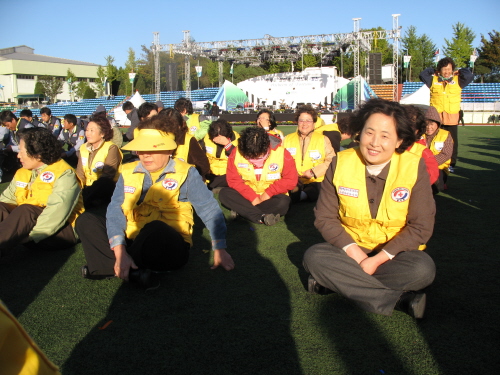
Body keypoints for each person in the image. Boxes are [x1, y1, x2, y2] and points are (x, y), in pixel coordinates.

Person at [303, 99, 436, 319]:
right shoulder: (340, 162)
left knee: (422, 269)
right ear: (359, 133)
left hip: (395, 254)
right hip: (351, 250)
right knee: (314, 257)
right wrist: (358, 256)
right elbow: (325, 218)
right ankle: (400, 301)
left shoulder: (414, 166)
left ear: (399, 140)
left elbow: (421, 226)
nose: (374, 143)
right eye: (369, 133)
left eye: (385, 136)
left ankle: (336, 283)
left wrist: (376, 260)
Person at [75, 128, 234, 287]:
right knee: (86, 220)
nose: (145, 155)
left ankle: (107, 266)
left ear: (169, 150)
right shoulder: (128, 171)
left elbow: (209, 209)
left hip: (167, 242)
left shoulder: (186, 172)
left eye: (152, 150)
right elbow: (116, 209)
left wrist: (220, 248)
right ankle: (131, 270)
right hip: (133, 238)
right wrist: (120, 250)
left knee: (156, 229)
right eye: (141, 150)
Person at [0, 127, 84, 257]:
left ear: (38, 154)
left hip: (60, 230)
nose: (18, 155)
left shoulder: (64, 173)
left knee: (25, 210)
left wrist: (30, 236)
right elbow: (6, 200)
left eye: (22, 151)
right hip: (29, 222)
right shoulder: (23, 172)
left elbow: (56, 213)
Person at [219, 126, 297, 226]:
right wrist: (253, 198)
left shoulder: (282, 153)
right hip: (246, 196)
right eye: (249, 155)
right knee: (224, 193)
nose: (254, 158)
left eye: (258, 154)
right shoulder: (236, 152)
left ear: (267, 146)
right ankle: (260, 217)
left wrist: (267, 194)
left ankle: (243, 211)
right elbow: (233, 180)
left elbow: (290, 180)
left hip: (272, 197)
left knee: (284, 202)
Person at [420, 57, 473, 172]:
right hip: (436, 117)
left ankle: (451, 164)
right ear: (439, 70)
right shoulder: (433, 80)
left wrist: (460, 71)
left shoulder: (458, 80)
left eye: (449, 69)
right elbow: (423, 74)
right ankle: (433, 161)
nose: (447, 72)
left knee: (453, 141)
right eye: (444, 69)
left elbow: (469, 76)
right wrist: (434, 71)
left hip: (451, 116)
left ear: (453, 69)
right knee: (434, 139)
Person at [284, 105, 335, 202]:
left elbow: (332, 160)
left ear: (314, 123)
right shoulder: (287, 139)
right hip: (294, 179)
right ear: (297, 122)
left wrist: (313, 172)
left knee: (322, 188)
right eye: (301, 120)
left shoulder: (323, 139)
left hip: (315, 180)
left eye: (308, 120)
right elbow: (279, 159)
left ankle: (299, 195)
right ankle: (299, 195)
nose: (304, 124)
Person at [144, 108, 210, 181]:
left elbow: (204, 166)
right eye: (163, 127)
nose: (168, 130)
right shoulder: (153, 139)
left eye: (171, 127)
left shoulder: (188, 140)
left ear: (180, 125)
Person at [77, 113, 122, 209]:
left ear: (102, 133)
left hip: (105, 190)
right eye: (87, 130)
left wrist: (90, 192)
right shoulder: (83, 148)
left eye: (92, 130)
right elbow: (80, 173)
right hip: (87, 188)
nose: (88, 133)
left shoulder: (111, 148)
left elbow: (108, 175)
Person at [199, 118, 239, 190]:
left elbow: (240, 159)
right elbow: (200, 156)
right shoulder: (206, 138)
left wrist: (227, 145)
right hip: (209, 172)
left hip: (228, 174)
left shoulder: (238, 140)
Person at [403, 105, 439, 185]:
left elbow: (431, 175)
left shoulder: (423, 152)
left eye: (411, 126)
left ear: (417, 130)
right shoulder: (388, 146)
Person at [422, 106, 453, 193]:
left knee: (435, 188)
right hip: (420, 165)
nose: (428, 127)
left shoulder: (446, 135)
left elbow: (446, 154)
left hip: (439, 167)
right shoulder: (418, 135)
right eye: (426, 124)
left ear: (437, 124)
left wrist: (429, 163)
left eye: (431, 124)